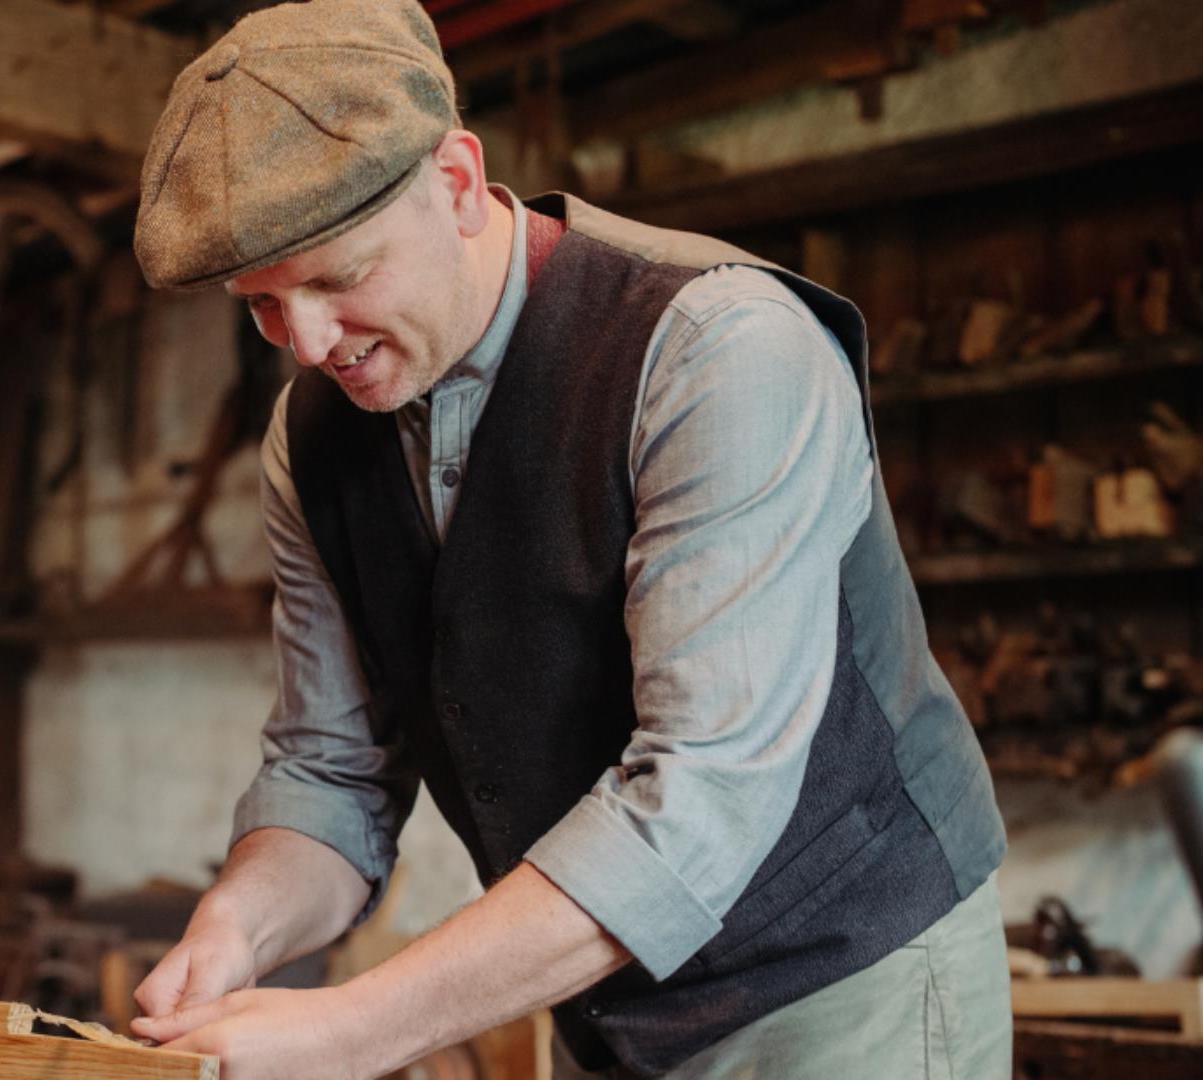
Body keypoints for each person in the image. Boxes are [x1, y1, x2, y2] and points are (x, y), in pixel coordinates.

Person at [124, 3, 1010, 1078]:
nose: (309, 345)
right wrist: (236, 930)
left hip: (836, 981)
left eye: (339, 277)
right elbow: (330, 771)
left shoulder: (717, 351)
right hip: (599, 991)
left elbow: (700, 800)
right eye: (260, 305)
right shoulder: (309, 440)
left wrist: (351, 1029)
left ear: (454, 183)